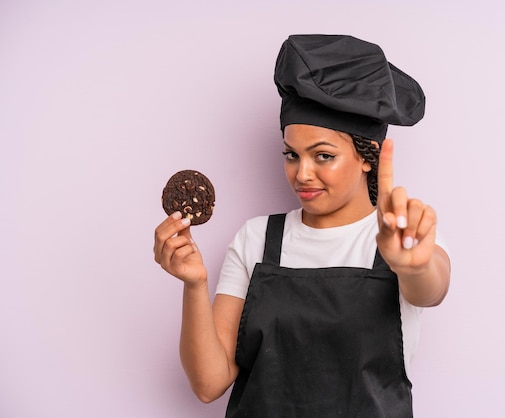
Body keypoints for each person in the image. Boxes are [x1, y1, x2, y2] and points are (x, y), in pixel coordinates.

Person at [154, 34, 451, 417]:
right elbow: (209, 384)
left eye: (323, 156)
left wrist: (413, 265)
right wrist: (193, 284)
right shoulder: (257, 239)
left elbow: (431, 288)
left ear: (366, 157)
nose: (302, 174)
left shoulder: (406, 236)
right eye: (291, 154)